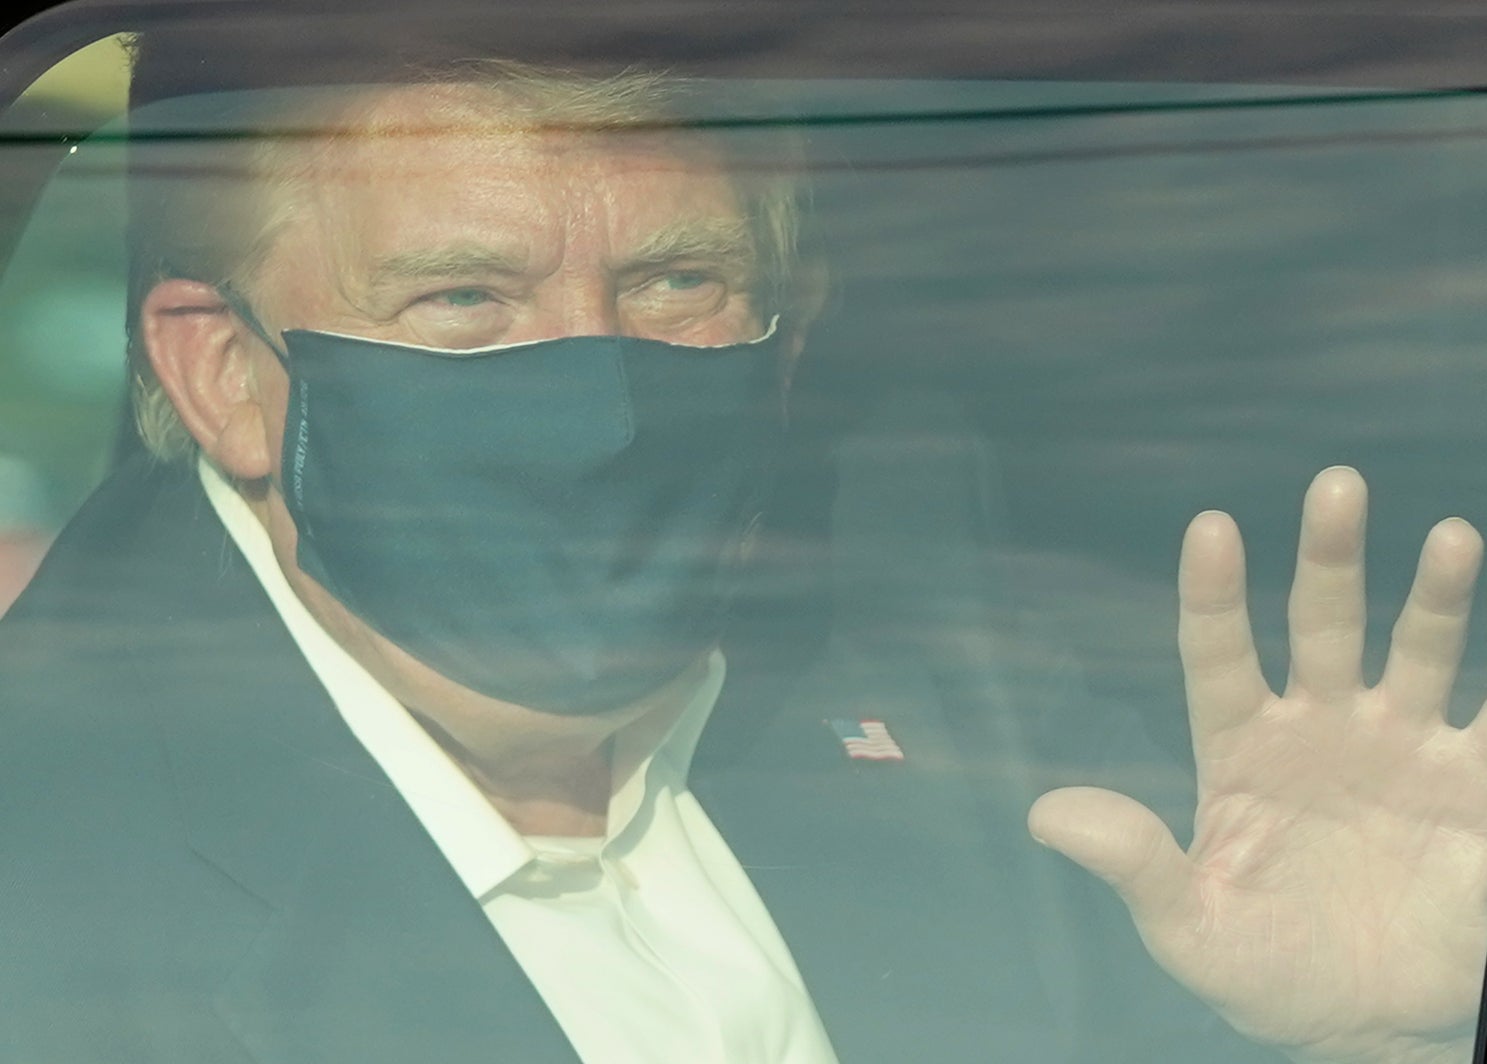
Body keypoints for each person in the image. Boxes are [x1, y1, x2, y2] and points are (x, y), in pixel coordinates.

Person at [2, 54, 1485, 1064]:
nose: (601, 395)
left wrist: (1372, 1037)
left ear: (785, 339)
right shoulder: (50, 877)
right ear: (226, 378)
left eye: (677, 282)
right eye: (465, 298)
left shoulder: (1000, 751)